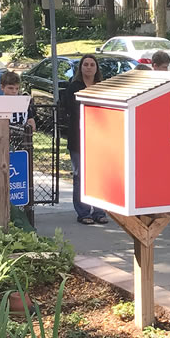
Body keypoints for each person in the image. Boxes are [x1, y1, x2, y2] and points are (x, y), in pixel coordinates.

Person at [59, 55, 108, 225]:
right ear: (80, 68)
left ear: (96, 68)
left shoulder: (103, 87)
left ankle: (100, 211)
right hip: (78, 138)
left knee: (99, 175)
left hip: (99, 138)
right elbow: (71, 109)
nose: (88, 67)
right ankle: (83, 211)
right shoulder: (74, 87)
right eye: (85, 64)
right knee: (80, 175)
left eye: (92, 64)